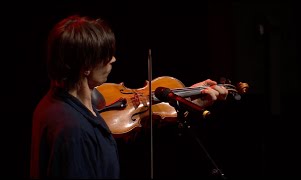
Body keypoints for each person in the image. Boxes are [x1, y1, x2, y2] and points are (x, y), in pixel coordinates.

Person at [29, 15, 228, 179]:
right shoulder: (72, 129)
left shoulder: (75, 101)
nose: (113, 60)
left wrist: (187, 96)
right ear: (86, 67)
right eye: (106, 56)